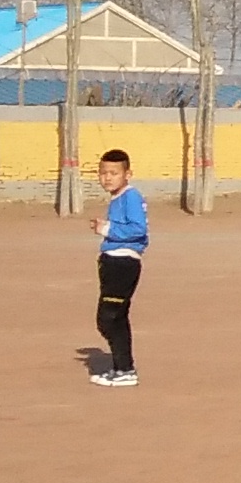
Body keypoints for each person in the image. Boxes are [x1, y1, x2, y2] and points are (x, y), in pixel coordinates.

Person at [92, 147, 147, 387]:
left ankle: (125, 368)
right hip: (113, 261)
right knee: (117, 318)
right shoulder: (118, 198)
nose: (108, 177)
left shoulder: (131, 196)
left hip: (123, 263)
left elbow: (139, 229)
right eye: (104, 173)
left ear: (127, 174)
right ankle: (122, 368)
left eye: (114, 173)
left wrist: (107, 230)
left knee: (108, 318)